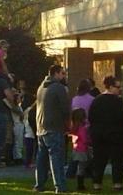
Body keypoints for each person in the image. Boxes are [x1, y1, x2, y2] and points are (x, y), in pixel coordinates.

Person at [88, 76, 123, 191]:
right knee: (118, 160)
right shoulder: (119, 102)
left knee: (99, 160)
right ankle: (117, 183)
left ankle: (97, 183)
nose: (119, 89)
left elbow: (91, 117)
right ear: (111, 87)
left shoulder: (96, 101)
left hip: (99, 135)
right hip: (117, 135)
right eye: (117, 87)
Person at [34, 64, 69, 194]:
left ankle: (39, 184)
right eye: (62, 73)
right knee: (56, 157)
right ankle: (60, 186)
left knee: (41, 158)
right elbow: (65, 108)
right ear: (56, 73)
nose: (64, 76)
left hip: (41, 126)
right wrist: (68, 123)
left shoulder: (42, 87)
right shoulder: (59, 88)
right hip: (54, 126)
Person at [68, 108, 91, 191]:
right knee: (81, 167)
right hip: (82, 149)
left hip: (76, 149)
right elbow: (84, 139)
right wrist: (89, 141)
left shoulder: (74, 126)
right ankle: (80, 185)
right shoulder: (82, 128)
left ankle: (78, 181)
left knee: (79, 166)